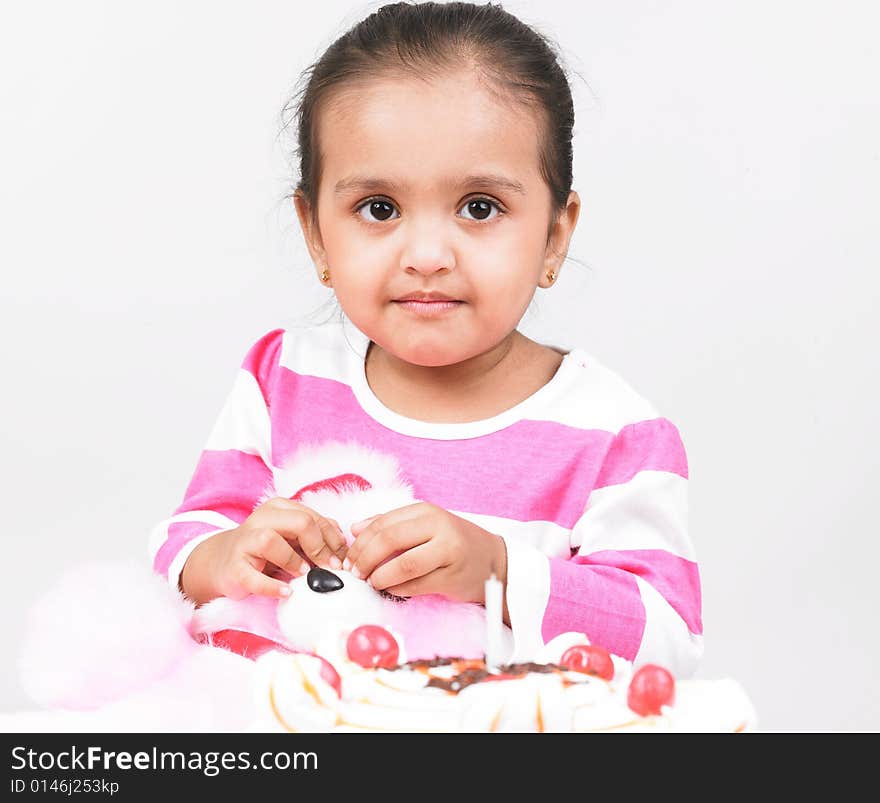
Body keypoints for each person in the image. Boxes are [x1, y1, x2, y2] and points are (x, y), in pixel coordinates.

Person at [148, 1, 702, 676]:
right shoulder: (284, 378)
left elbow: (668, 640)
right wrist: (225, 554)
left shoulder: (614, 434)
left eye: (480, 207)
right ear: (316, 232)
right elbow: (184, 541)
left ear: (555, 232)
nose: (428, 254)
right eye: (378, 209)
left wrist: (494, 568)